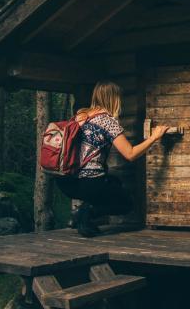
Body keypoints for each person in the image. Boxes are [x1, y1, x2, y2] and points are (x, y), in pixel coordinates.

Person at [56, 80, 169, 237]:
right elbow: (130, 154)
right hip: (88, 183)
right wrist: (154, 137)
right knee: (126, 204)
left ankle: (83, 215)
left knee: (114, 182)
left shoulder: (80, 116)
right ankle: (86, 211)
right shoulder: (108, 121)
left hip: (65, 182)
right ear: (114, 99)